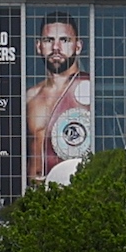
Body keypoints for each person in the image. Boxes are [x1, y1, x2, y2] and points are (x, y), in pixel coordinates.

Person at [24, 12, 92, 184]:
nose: (56, 47)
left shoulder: (90, 91)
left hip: (76, 190)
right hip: (33, 195)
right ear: (38, 46)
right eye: (48, 40)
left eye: (64, 40)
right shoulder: (30, 97)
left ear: (78, 46)